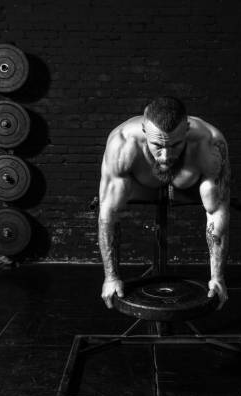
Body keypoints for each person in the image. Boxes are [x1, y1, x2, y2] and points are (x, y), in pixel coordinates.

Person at [97, 96, 230, 310]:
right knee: (113, 199)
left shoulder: (210, 144)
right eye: (157, 145)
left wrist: (218, 277)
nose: (166, 156)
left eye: (175, 145)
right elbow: (109, 213)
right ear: (143, 129)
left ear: (186, 128)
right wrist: (110, 277)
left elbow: (216, 213)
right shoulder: (122, 144)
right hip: (141, 182)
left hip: (189, 182)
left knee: (214, 197)